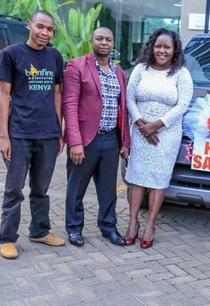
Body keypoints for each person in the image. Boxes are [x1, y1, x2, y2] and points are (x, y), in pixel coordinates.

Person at [0, 10, 65, 259]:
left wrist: (60, 130)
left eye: (49, 29)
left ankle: (39, 230)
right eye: (40, 26)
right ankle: (7, 238)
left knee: (41, 188)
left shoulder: (55, 57)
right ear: (29, 25)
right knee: (14, 189)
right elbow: (4, 96)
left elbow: (57, 94)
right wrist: (5, 136)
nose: (45, 33)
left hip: (47, 135)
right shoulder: (12, 54)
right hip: (20, 134)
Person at [124, 28, 193, 249]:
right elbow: (129, 98)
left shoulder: (181, 73)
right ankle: (133, 222)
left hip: (166, 134)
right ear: (151, 47)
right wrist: (140, 123)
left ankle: (150, 224)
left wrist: (157, 125)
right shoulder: (140, 70)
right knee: (137, 178)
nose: (162, 50)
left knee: (158, 180)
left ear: (174, 51)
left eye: (167, 47)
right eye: (158, 46)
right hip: (140, 130)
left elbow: (182, 105)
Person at [63, 27, 130, 247]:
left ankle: (108, 226)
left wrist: (125, 142)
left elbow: (124, 109)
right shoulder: (77, 66)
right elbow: (70, 105)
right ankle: (74, 228)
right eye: (99, 38)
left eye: (108, 39)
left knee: (108, 189)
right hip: (85, 140)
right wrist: (75, 142)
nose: (104, 42)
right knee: (76, 188)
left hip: (111, 139)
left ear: (113, 44)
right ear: (91, 41)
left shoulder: (118, 71)